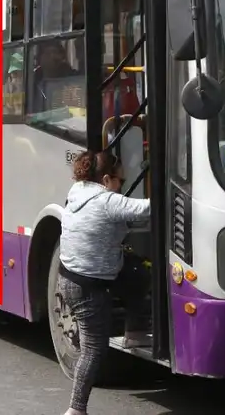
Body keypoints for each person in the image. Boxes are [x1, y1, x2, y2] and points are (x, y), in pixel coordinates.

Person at [58, 150, 151, 415]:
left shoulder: (77, 191)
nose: (121, 185)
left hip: (71, 276)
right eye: (121, 181)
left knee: (138, 272)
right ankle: (76, 409)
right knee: (93, 349)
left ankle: (134, 332)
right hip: (88, 286)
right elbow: (146, 209)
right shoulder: (107, 200)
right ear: (107, 179)